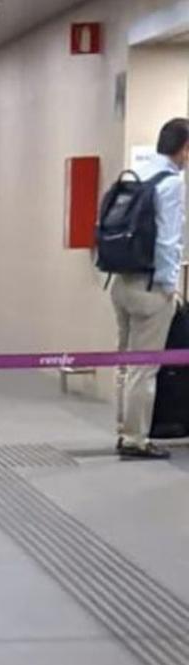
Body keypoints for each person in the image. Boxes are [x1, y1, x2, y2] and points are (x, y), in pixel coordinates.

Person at [112, 118, 189, 460]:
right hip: (150, 288)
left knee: (125, 361)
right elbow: (169, 240)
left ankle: (122, 428)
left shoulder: (137, 173)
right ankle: (135, 439)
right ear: (183, 148)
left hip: (121, 281)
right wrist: (169, 288)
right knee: (146, 367)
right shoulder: (171, 183)